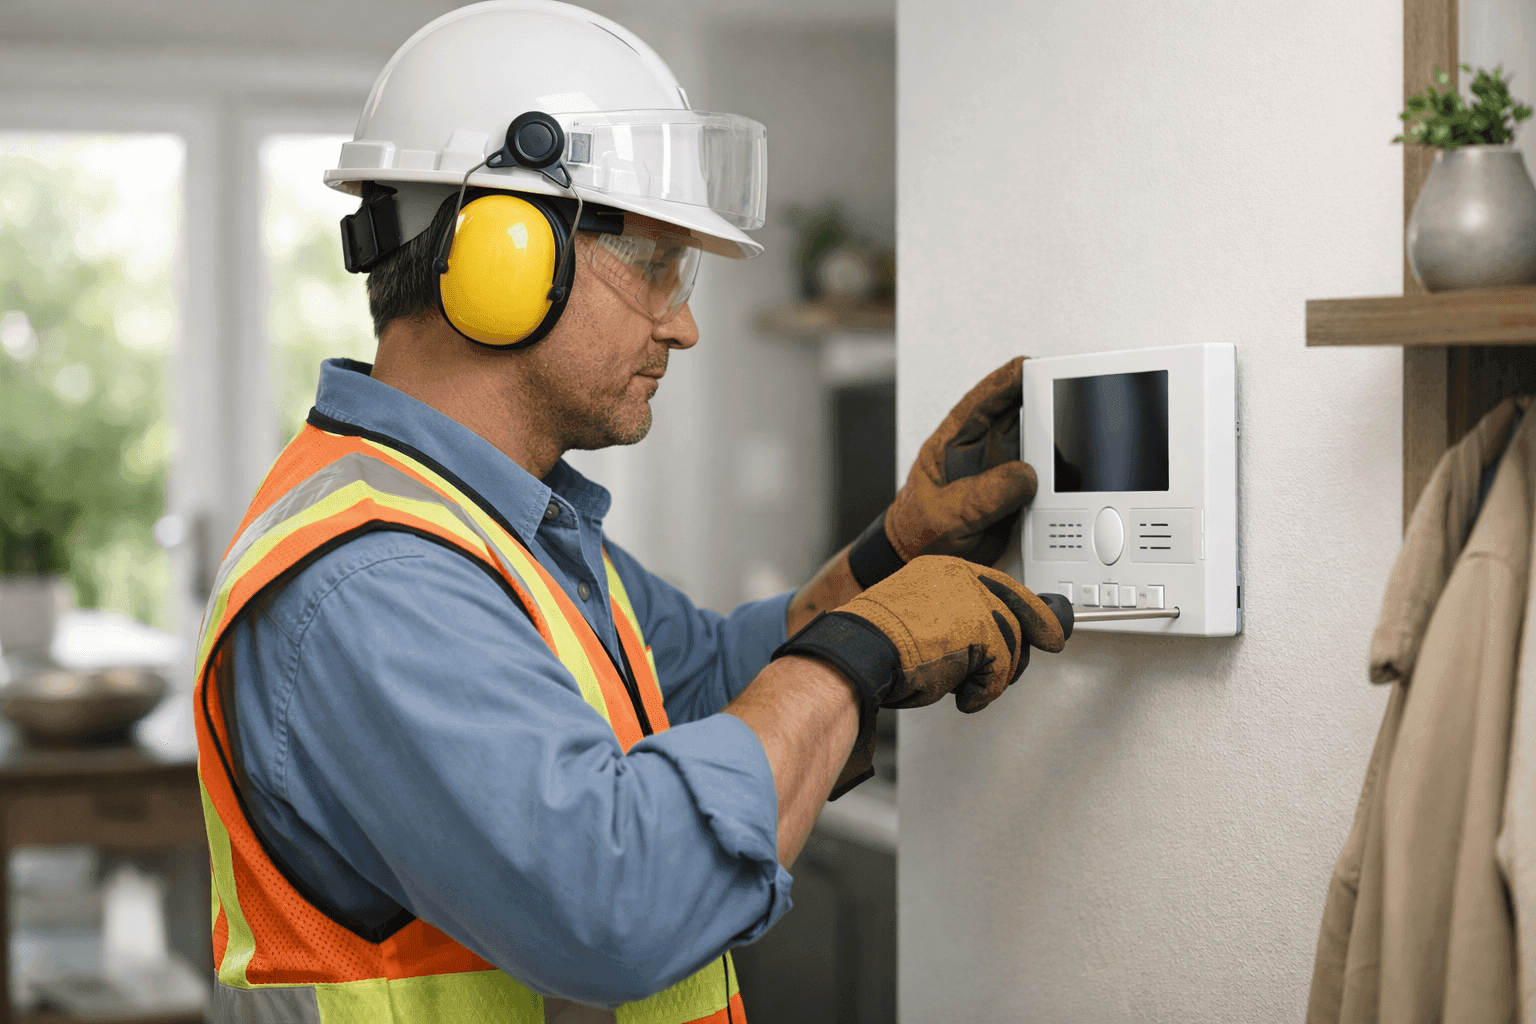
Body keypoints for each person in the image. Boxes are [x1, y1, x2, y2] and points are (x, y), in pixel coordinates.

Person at [193, 3, 1065, 1022]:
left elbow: (701, 680)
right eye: (654, 265)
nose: (683, 323)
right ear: (502, 254)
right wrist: (862, 651)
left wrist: (892, 554)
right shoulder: (377, 577)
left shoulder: (499, 528)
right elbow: (619, 904)